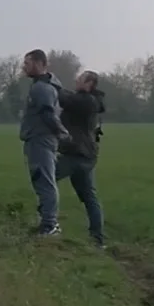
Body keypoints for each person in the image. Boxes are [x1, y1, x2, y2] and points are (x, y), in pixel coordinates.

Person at [19, 48, 69, 237]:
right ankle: (47, 223)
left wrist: (62, 134)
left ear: (40, 64)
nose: (24, 66)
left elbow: (48, 115)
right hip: (40, 139)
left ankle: (50, 225)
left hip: (40, 140)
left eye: (27, 62)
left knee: (45, 182)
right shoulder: (46, 85)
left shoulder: (41, 88)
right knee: (43, 181)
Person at [57, 69, 108, 249]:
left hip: (77, 154)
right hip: (85, 155)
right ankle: (97, 240)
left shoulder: (87, 101)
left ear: (89, 84)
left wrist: (50, 84)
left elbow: (66, 99)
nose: (76, 80)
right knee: (89, 197)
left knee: (44, 179)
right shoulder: (90, 100)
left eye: (80, 79)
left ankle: (48, 225)